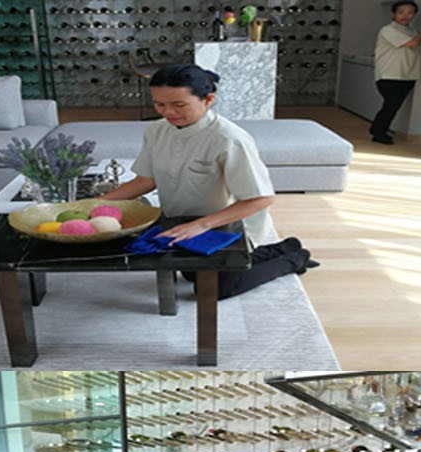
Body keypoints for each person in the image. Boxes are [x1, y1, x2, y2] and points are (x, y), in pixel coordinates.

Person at [96, 64, 316, 299]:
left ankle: (294, 258)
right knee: (191, 272)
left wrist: (201, 225)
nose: (167, 112)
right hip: (182, 223)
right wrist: (95, 203)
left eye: (179, 105)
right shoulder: (156, 131)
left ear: (208, 99)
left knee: (213, 290)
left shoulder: (229, 139)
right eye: (159, 104)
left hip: (228, 226)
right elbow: (145, 181)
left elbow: (261, 199)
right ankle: (285, 247)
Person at [372, 1, 421, 145]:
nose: (405, 16)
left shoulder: (412, 31)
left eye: (410, 13)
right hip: (389, 74)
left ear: (414, 15)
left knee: (394, 105)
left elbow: (416, 41)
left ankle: (377, 130)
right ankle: (378, 133)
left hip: (407, 75)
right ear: (393, 14)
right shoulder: (387, 30)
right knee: (391, 105)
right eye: (401, 12)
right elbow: (413, 43)